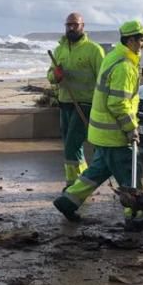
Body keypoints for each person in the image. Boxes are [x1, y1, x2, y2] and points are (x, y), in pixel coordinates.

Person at [53, 19, 143, 231]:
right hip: (115, 134)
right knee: (131, 173)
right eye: (141, 39)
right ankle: (135, 216)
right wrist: (131, 129)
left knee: (96, 172)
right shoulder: (125, 67)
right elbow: (118, 103)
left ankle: (67, 201)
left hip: (101, 132)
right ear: (131, 40)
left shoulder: (113, 56)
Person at [47, 12, 104, 186]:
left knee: (72, 144)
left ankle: (73, 185)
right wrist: (55, 76)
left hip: (86, 104)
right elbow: (50, 76)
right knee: (71, 144)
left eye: (75, 25)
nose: (71, 28)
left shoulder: (93, 50)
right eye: (68, 25)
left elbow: (104, 78)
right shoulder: (59, 50)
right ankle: (81, 179)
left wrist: (102, 105)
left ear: (82, 26)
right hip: (65, 102)